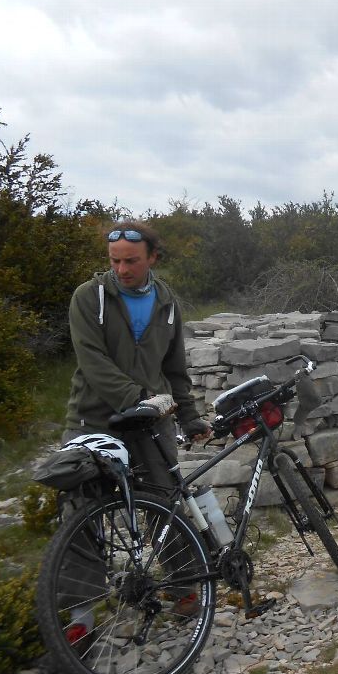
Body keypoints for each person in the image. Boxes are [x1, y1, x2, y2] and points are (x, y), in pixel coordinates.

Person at [60, 220, 211, 648]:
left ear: (152, 258)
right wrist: (139, 396)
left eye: (131, 261)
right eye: (115, 261)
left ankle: (184, 589)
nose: (122, 269)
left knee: (166, 500)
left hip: (150, 421)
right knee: (81, 509)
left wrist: (190, 415)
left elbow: (175, 368)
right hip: (93, 419)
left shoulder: (166, 301)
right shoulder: (89, 298)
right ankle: (79, 618)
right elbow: (92, 361)